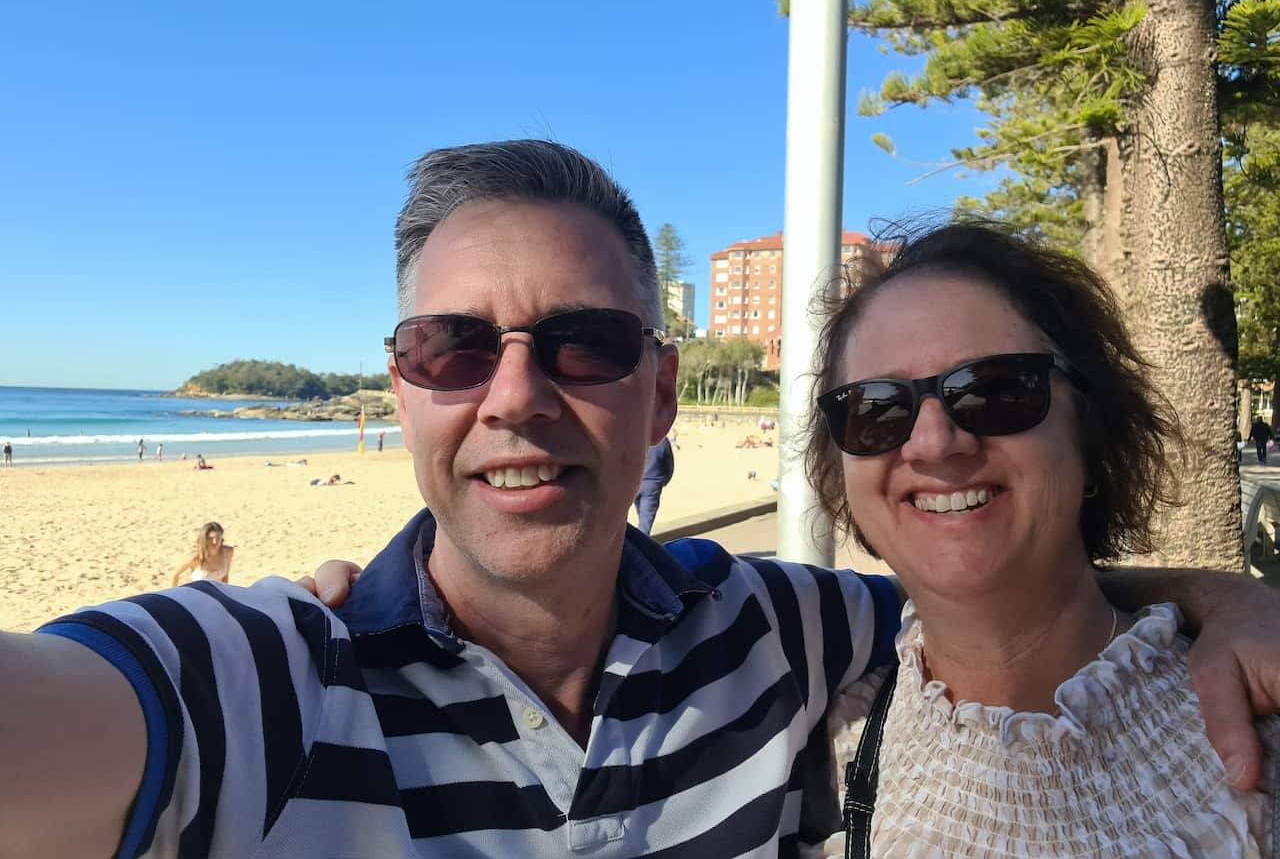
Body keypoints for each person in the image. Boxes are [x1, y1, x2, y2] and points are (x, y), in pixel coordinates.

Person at [4, 141, 1280, 859]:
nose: (513, 397)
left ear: (660, 395)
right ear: (401, 389)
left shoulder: (785, 639)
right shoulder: (250, 681)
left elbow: (997, 596)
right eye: (455, 347)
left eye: (582, 346)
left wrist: (1218, 603)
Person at [803, 221, 1280, 856]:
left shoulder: (1255, 714)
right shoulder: (823, 748)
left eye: (994, 390)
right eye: (876, 409)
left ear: (1089, 431)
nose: (934, 443)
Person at [170, 521, 234, 586]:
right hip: (198, 594)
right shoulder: (195, 556)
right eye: (210, 538)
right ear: (204, 539)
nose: (215, 542)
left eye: (218, 538)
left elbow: (225, 577)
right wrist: (173, 595)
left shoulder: (227, 552)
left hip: (216, 594)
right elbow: (175, 575)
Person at [634, 435, 674, 534]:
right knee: (646, 520)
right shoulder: (662, 440)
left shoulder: (635, 436)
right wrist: (663, 481)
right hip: (652, 484)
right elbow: (669, 465)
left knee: (641, 515)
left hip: (634, 483)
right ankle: (642, 545)